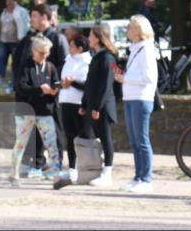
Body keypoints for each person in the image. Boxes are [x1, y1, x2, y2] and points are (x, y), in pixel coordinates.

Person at [113, 15, 158, 193]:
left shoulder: (146, 49)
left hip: (141, 98)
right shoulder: (135, 48)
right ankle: (138, 177)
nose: (127, 30)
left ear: (139, 30)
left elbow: (149, 78)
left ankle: (146, 179)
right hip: (130, 97)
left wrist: (126, 78)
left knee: (142, 140)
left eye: (131, 27)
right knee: (134, 141)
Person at [9, 35, 61, 185]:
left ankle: (55, 175)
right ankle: (14, 173)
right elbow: (20, 87)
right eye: (41, 52)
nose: (44, 55)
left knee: (52, 144)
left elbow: (56, 83)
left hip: (45, 111)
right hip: (26, 111)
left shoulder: (51, 67)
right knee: (21, 143)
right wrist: (39, 89)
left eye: (46, 52)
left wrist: (54, 90)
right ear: (33, 50)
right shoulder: (25, 66)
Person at [80, 24, 119, 188]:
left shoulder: (107, 58)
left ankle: (107, 173)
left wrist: (97, 107)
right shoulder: (97, 56)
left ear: (98, 37)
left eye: (91, 35)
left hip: (102, 107)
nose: (88, 38)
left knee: (105, 138)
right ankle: (98, 169)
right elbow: (90, 83)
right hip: (93, 105)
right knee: (98, 138)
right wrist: (84, 104)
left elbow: (105, 86)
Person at [53, 33, 93, 189]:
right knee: (69, 137)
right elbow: (64, 80)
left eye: (71, 46)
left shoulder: (88, 62)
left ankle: (86, 169)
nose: (68, 48)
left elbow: (87, 86)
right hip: (66, 101)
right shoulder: (68, 60)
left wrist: (72, 83)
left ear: (80, 48)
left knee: (82, 136)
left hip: (79, 103)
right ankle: (72, 169)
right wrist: (62, 84)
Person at [0, 0, 29, 90]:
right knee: (1, 59)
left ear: (15, 1)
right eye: (7, 1)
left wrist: (22, 39)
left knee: (16, 62)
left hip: (16, 41)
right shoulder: (4, 12)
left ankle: (14, 81)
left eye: (10, 1)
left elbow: (25, 26)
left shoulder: (21, 11)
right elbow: (0, 26)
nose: (8, 3)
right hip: (4, 40)